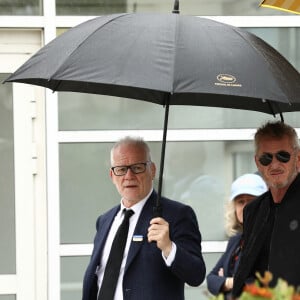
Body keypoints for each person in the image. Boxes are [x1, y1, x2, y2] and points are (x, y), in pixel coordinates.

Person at [82, 136, 206, 300]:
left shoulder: (176, 215)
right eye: (121, 169)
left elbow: (196, 275)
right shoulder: (105, 220)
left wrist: (169, 247)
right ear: (112, 175)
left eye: (137, 167)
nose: (129, 176)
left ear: (152, 170)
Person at [232, 121, 300, 297]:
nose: (275, 164)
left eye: (283, 156)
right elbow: (248, 269)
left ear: (298, 158)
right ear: (257, 162)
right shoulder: (253, 210)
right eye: (266, 158)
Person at [206, 173, 267, 299]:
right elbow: (211, 279)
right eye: (240, 202)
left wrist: (225, 281)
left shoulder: (271, 238)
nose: (245, 206)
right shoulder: (236, 241)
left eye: (251, 201)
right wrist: (230, 282)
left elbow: (258, 284)